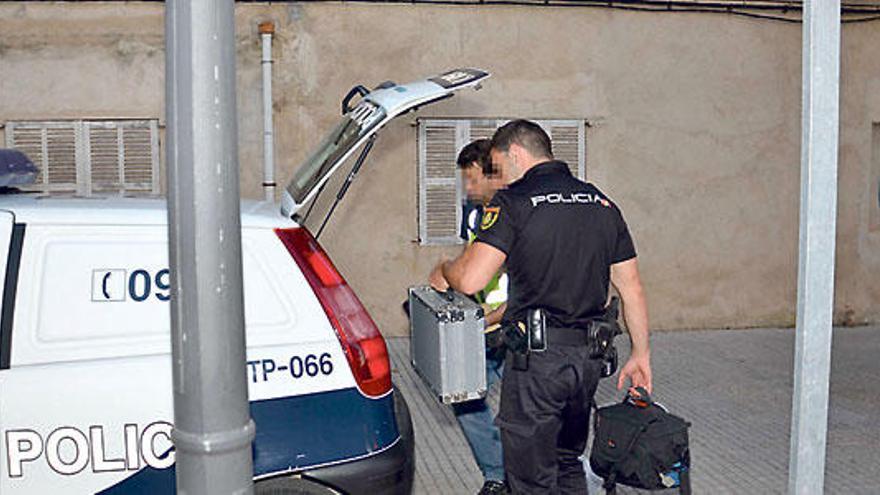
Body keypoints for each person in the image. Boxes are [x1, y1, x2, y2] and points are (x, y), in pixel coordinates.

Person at [430, 120, 652, 494]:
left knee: (530, 476)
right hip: (586, 362)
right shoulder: (600, 201)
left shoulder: (513, 203)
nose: (498, 177)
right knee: (566, 463)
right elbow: (631, 288)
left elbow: (470, 281)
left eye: (498, 166)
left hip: (538, 364)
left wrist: (445, 268)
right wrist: (641, 353)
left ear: (515, 154)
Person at [446, 139, 509, 495]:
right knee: (464, 396)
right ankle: (497, 475)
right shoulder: (472, 212)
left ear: (494, 176)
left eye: (473, 180)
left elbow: (531, 285)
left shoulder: (515, 214)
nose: (468, 189)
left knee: (530, 415)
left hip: (515, 325)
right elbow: (467, 261)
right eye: (464, 181)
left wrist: (492, 318)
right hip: (483, 325)